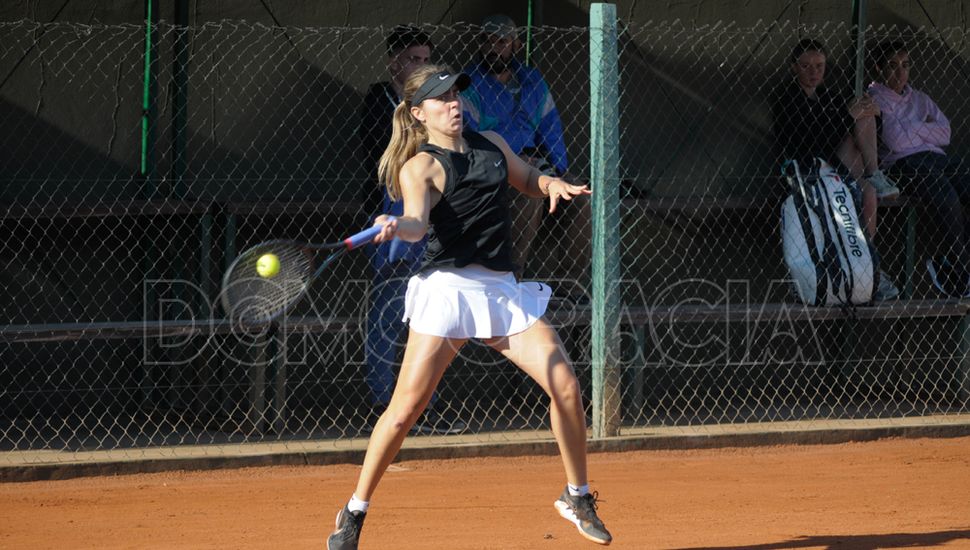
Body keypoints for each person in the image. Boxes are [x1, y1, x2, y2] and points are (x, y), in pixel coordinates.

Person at [327, 64, 613, 549]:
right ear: (419, 114)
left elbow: (528, 179)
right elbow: (418, 222)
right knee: (404, 411)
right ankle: (355, 510)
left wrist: (551, 186)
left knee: (565, 384)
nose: (454, 103)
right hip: (447, 289)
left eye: (456, 94)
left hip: (500, 290)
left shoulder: (494, 144)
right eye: (440, 99)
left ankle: (577, 493)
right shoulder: (421, 166)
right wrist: (399, 226)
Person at [356, 25, 466, 435]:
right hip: (390, 212)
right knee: (388, 310)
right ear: (394, 61)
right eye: (413, 60)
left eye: (426, 60)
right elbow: (382, 152)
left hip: (433, 218)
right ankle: (382, 402)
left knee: (430, 316)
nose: (420, 66)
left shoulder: (443, 103)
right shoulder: (378, 100)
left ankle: (425, 406)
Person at [461, 14, 591, 301]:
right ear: (479, 44)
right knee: (528, 192)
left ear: (516, 45)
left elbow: (551, 127)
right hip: (495, 168)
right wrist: (517, 165)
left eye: (502, 41)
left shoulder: (533, 81)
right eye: (487, 41)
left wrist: (558, 172)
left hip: (537, 162)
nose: (493, 48)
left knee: (580, 196)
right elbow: (470, 137)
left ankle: (569, 287)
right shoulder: (468, 83)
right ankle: (511, 280)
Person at [770, 38, 900, 301]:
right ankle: (829, 272)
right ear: (794, 67)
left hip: (836, 165)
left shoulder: (830, 96)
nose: (813, 72)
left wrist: (875, 113)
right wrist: (846, 116)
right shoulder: (785, 98)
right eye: (805, 66)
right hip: (806, 170)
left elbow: (834, 133)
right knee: (852, 116)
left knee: (869, 194)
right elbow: (804, 141)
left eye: (819, 65)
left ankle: (867, 265)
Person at [869, 41, 970, 298]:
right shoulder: (875, 97)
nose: (900, 73)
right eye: (892, 66)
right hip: (904, 163)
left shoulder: (921, 98)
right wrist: (925, 129)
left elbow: (945, 133)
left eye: (905, 65)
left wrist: (909, 128)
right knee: (946, 196)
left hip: (937, 157)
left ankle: (953, 264)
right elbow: (894, 141)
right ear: (878, 68)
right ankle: (958, 271)